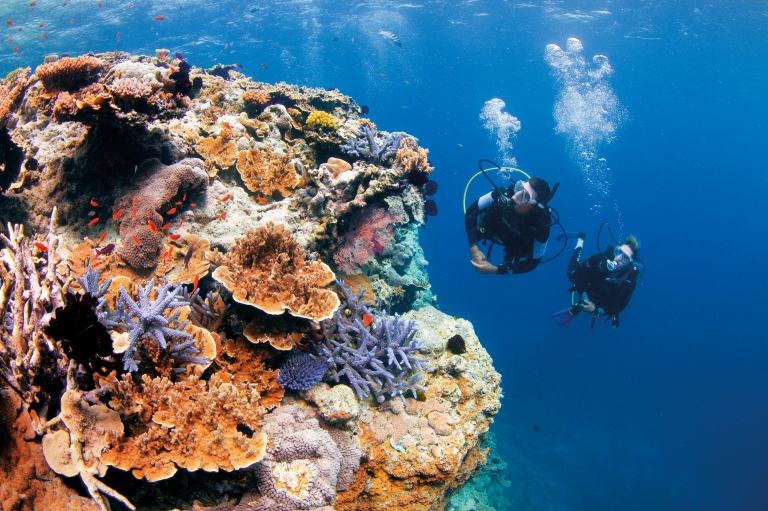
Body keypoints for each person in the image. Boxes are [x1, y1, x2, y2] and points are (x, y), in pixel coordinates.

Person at [465, 177, 552, 275]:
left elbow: (533, 263)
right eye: (519, 187)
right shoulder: (503, 193)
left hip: (515, 244)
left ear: (535, 206)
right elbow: (471, 212)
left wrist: (495, 270)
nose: (515, 196)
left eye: (525, 196)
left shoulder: (541, 226)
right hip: (491, 229)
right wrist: (474, 249)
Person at [554, 233, 641, 328]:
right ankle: (580, 239)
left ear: (630, 264)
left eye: (625, 258)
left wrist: (596, 310)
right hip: (588, 285)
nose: (619, 258)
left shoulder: (629, 282)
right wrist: (584, 296)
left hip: (603, 299)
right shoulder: (600, 260)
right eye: (618, 251)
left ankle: (580, 306)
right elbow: (580, 275)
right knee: (571, 274)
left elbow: (619, 306)